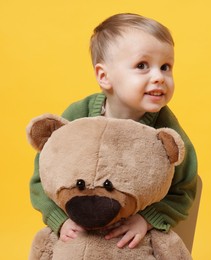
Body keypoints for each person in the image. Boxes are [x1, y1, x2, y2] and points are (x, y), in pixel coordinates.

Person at [30, 13, 197, 249]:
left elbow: (185, 188)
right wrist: (59, 219)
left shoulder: (165, 130)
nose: (159, 77)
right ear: (104, 76)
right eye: (142, 66)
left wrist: (147, 220)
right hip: (80, 227)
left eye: (166, 67)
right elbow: (44, 173)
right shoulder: (79, 117)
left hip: (130, 234)